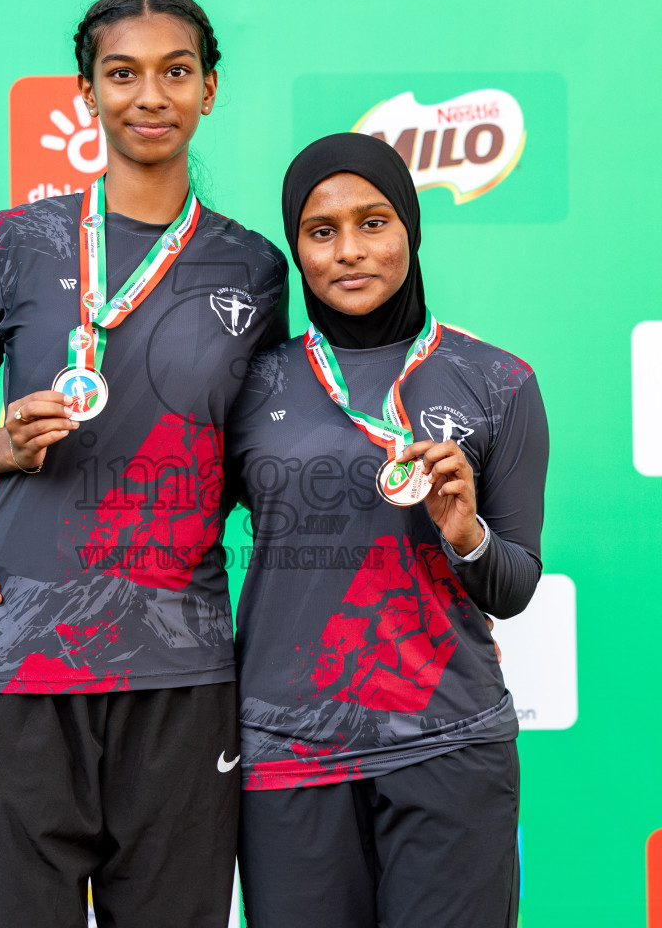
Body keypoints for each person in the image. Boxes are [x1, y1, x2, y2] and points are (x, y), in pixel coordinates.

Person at [0, 0, 288, 928]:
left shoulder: (254, 269)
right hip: (22, 650)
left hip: (181, 663)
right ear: (86, 91)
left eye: (174, 72)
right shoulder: (13, 244)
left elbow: (271, 469)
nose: (148, 96)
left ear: (211, 89)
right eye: (122, 74)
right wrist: (7, 446)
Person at [226, 132, 549, 927]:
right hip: (289, 750)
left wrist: (465, 532)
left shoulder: (498, 380)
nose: (349, 251)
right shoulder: (248, 383)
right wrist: (2, 561)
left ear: (410, 226)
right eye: (321, 230)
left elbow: (512, 586)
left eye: (374, 222)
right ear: (298, 249)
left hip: (449, 742)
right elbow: (163, 532)